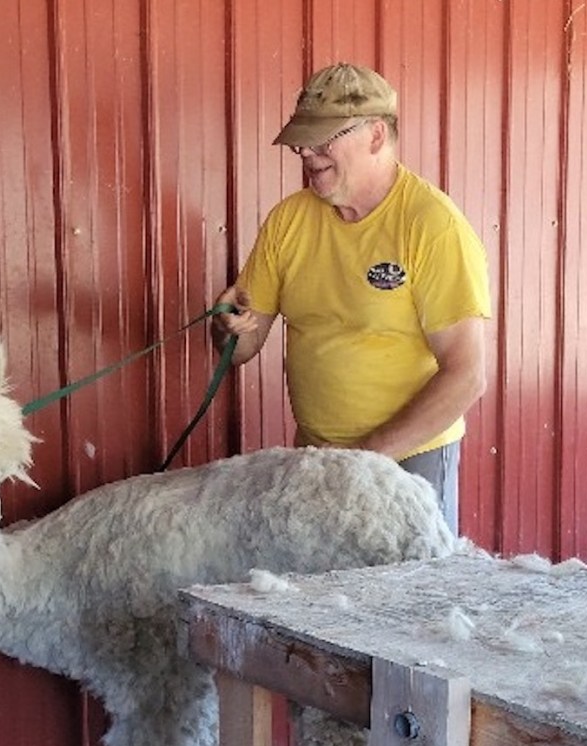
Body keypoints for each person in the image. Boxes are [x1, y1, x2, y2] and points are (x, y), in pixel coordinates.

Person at [211, 62, 492, 534]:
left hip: (409, 460)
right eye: (302, 138)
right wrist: (228, 327)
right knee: (322, 600)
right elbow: (243, 347)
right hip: (318, 460)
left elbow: (466, 376)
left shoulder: (432, 226)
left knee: (406, 600)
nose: (304, 150)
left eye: (322, 138)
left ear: (376, 135)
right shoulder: (289, 220)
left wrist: (365, 459)